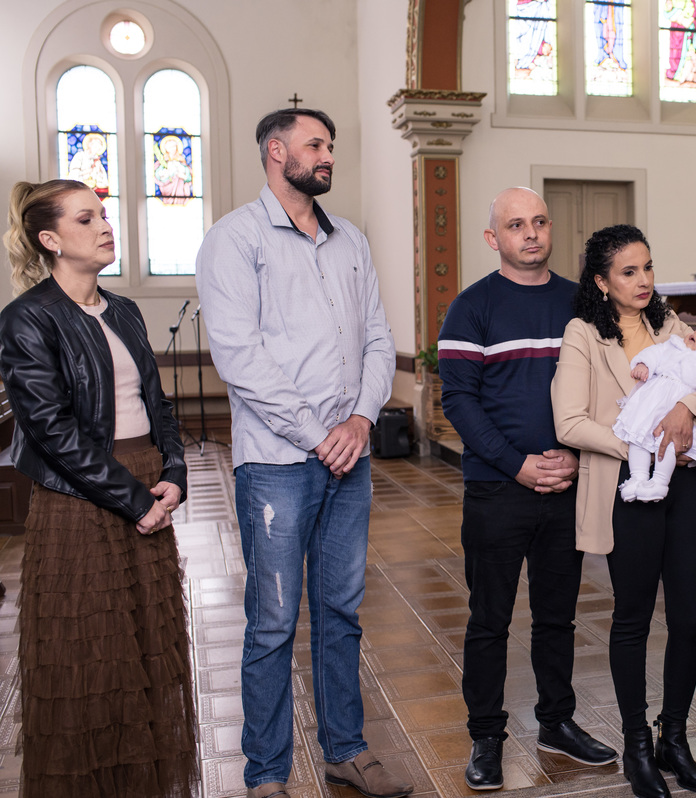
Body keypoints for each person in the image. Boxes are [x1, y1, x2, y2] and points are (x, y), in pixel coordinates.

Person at [195, 109, 408, 798]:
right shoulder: (234, 239)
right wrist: (319, 434)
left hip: (350, 459)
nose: (327, 156)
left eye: (330, 146)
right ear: (275, 151)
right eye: (315, 144)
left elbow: (378, 337)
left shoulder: (350, 241)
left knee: (342, 612)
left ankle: (347, 750)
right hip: (277, 465)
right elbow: (240, 357)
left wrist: (361, 419)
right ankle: (266, 774)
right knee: (273, 622)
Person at [0, 179, 197, 796]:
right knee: (89, 658)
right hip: (78, 501)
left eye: (104, 215)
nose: (105, 226)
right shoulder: (27, 318)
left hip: (145, 487)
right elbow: (52, 431)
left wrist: (173, 474)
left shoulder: (125, 310)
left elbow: (157, 403)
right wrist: (134, 501)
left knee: (146, 648)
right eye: (86, 219)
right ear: (50, 239)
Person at [552, 224, 696, 798]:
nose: (643, 281)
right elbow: (569, 422)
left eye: (648, 267)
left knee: (690, 618)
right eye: (629, 272)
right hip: (627, 486)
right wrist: (644, 441)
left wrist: (685, 408)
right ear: (601, 281)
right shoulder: (583, 334)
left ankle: (673, 738)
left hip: (685, 485)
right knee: (633, 618)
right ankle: (637, 745)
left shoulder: (671, 325)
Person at [438, 187, 617, 791]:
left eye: (539, 221)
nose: (531, 233)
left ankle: (556, 723)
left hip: (567, 483)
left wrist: (577, 455)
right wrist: (517, 465)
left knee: (557, 617)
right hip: (498, 489)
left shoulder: (581, 302)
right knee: (489, 619)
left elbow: (608, 384)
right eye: (516, 225)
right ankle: (486, 736)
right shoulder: (471, 308)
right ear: (494, 238)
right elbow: (459, 402)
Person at [613, 319, 696, 502]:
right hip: (652, 405)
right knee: (637, 437)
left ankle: (659, 482)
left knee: (669, 443)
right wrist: (644, 364)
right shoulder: (675, 344)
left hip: (677, 404)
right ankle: (637, 478)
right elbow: (655, 353)